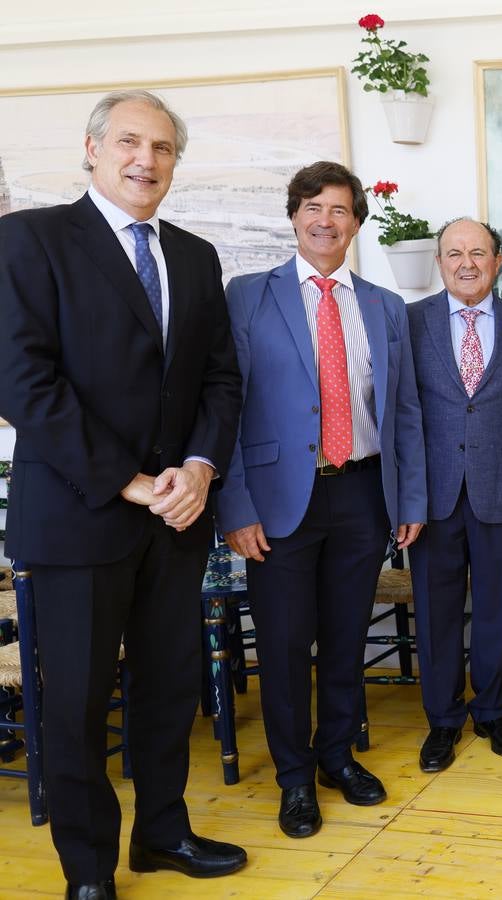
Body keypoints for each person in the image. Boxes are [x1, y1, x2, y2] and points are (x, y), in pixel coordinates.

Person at [0, 89, 247, 898]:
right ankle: (89, 870)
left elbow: (219, 380)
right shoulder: (28, 241)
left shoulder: (196, 255)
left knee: (169, 686)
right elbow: (23, 381)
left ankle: (163, 832)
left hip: (177, 516)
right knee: (74, 704)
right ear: (93, 148)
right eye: (131, 143)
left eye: (164, 147)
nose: (147, 160)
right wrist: (131, 480)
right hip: (79, 514)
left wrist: (203, 468)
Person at [218, 161, 427, 839]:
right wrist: (236, 506)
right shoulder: (248, 296)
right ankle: (294, 778)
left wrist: (409, 498)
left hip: (363, 494)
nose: (324, 220)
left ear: (356, 223)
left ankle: (337, 756)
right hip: (278, 503)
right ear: (294, 216)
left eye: (338, 209)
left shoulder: (384, 306)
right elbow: (225, 408)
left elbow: (405, 413)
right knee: (282, 646)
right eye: (312, 206)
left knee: (343, 639)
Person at [407, 217, 502, 772]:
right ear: (439, 262)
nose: (467, 263)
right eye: (454, 253)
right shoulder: (410, 322)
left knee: (497, 606)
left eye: (479, 253)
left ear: (497, 260)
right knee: (437, 611)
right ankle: (442, 721)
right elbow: (401, 410)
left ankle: (492, 710)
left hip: (501, 486)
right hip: (433, 495)